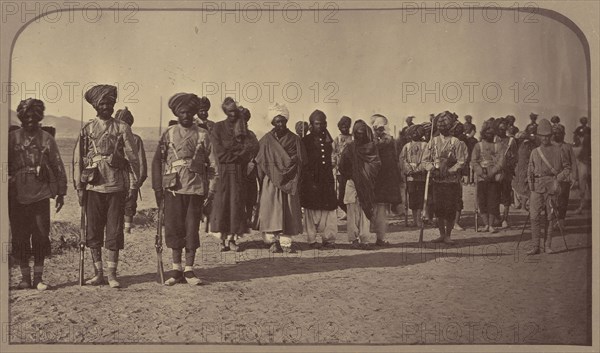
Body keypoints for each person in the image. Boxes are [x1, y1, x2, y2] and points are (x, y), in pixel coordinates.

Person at [73, 84, 140, 288]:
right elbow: (77, 160)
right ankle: (98, 272)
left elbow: (133, 159)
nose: (107, 106)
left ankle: (112, 274)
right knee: (93, 231)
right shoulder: (87, 129)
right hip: (93, 187)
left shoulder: (122, 128)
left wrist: (133, 186)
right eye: (102, 103)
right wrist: (79, 187)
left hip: (116, 187)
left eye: (110, 103)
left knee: (114, 231)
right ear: (95, 105)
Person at [152, 93, 216, 285]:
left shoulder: (204, 135)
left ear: (194, 113)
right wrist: (158, 188)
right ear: (176, 113)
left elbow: (213, 166)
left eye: (189, 112)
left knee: (191, 229)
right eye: (182, 112)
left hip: (195, 190)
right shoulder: (169, 133)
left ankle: (189, 270)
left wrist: (211, 192)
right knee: (173, 228)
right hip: (173, 190)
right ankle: (176, 270)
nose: (186, 115)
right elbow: (158, 162)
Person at [9, 98, 67, 290]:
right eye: (27, 116)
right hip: (17, 194)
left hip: (41, 193)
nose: (30, 120)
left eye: (34, 116)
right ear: (21, 117)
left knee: (41, 235)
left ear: (40, 117)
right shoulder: (12, 138)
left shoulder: (46, 139)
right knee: (20, 236)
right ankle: (25, 278)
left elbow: (58, 166)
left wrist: (61, 192)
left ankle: (39, 278)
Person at [210, 97, 259, 251]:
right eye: (229, 111)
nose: (232, 114)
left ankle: (232, 240)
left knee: (236, 204)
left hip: (238, 173)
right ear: (225, 112)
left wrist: (237, 154)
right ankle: (222, 240)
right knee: (221, 205)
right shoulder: (218, 128)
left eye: (234, 111)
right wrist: (236, 154)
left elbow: (250, 148)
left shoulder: (242, 128)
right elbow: (218, 152)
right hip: (223, 172)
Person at [255, 103, 305, 253]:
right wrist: (262, 178)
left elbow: (302, 160)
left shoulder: (295, 139)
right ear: (272, 122)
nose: (281, 124)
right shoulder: (265, 140)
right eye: (277, 121)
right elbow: (260, 161)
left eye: (283, 121)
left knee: (288, 210)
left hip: (290, 181)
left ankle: (286, 243)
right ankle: (272, 242)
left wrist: (292, 168)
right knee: (271, 211)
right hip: (270, 181)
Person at [422, 111, 468, 244]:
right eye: (440, 126)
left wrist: (450, 170)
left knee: (450, 208)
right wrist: (432, 168)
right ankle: (441, 234)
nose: (443, 129)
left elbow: (461, 161)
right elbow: (425, 160)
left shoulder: (456, 142)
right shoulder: (433, 141)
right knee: (438, 209)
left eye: (445, 126)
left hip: (451, 181)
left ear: (451, 127)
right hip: (437, 180)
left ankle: (448, 235)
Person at [526, 118, 570, 255]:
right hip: (537, 188)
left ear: (551, 136)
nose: (544, 138)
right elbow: (529, 170)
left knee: (550, 217)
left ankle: (548, 246)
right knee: (534, 217)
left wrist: (557, 179)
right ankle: (535, 246)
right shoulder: (535, 151)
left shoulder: (558, 150)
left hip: (552, 187)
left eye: (547, 135)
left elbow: (567, 168)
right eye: (542, 135)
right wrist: (531, 186)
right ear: (538, 136)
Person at [338, 120, 381, 248]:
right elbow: (342, 166)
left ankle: (365, 239)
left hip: (367, 184)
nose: (360, 136)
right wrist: (353, 175)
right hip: (352, 183)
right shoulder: (350, 148)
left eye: (362, 133)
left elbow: (377, 165)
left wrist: (365, 175)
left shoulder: (372, 148)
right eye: (357, 133)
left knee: (365, 211)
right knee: (352, 212)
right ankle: (353, 239)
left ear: (366, 133)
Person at [300, 110, 338, 249]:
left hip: (326, 180)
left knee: (328, 210)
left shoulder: (329, 141)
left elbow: (333, 160)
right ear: (311, 125)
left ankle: (328, 239)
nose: (320, 126)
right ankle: (311, 240)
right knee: (311, 211)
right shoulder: (305, 141)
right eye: (317, 124)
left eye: (322, 124)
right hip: (311, 181)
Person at [115, 107, 147, 234]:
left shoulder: (135, 139)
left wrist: (140, 178)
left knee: (126, 202)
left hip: (123, 176)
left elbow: (141, 161)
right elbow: (142, 162)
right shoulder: (135, 139)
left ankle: (126, 228)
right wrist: (140, 178)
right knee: (128, 202)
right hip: (126, 176)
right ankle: (126, 228)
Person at [371, 114, 402, 246]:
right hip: (371, 180)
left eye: (382, 127)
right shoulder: (368, 141)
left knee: (382, 211)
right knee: (369, 210)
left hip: (384, 181)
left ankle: (380, 238)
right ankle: (365, 238)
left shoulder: (390, 142)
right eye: (378, 128)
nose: (380, 131)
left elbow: (394, 161)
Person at [471, 119, 502, 233]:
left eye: (491, 133)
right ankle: (485, 224)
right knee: (482, 201)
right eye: (487, 133)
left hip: (493, 177)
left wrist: (492, 172)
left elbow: (500, 161)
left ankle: (491, 224)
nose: (489, 135)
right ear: (483, 133)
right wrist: (481, 173)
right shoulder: (478, 146)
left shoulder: (497, 146)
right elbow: (474, 161)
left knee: (493, 201)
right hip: (481, 178)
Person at [400, 124, 427, 227]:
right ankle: (414, 219)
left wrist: (419, 168)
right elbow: (402, 159)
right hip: (410, 176)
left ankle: (419, 219)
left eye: (418, 132)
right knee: (412, 196)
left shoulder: (425, 145)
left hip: (421, 176)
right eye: (413, 132)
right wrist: (409, 169)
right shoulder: (406, 146)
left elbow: (427, 159)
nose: (415, 134)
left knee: (420, 197)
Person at [552, 124, 578, 231]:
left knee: (563, 200)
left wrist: (574, 177)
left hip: (565, 177)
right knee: (552, 200)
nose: (557, 135)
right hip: (552, 177)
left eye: (559, 133)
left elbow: (573, 163)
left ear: (563, 134)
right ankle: (553, 221)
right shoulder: (549, 146)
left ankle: (561, 222)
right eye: (555, 133)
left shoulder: (568, 147)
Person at [494, 118, 517, 228]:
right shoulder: (493, 140)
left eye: (503, 129)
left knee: (506, 196)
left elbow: (515, 157)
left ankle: (505, 219)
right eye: (499, 129)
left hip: (506, 173)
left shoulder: (511, 141)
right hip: (494, 173)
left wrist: (509, 164)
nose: (501, 131)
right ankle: (497, 218)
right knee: (495, 196)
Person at [512, 124, 538, 210]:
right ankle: (520, 204)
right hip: (519, 168)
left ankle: (523, 205)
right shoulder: (520, 145)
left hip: (525, 168)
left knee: (525, 186)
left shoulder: (528, 144)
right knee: (519, 185)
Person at [332, 116, 353, 215]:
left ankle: (351, 213)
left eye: (347, 126)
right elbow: (333, 153)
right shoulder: (337, 139)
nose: (345, 128)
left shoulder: (353, 138)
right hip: (340, 171)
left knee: (350, 194)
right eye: (342, 126)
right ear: (339, 127)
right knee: (341, 196)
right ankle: (347, 212)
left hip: (351, 170)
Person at [573, 116, 591, 213]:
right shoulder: (587, 132)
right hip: (586, 161)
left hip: (585, 162)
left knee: (583, 183)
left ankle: (582, 206)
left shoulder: (586, 136)